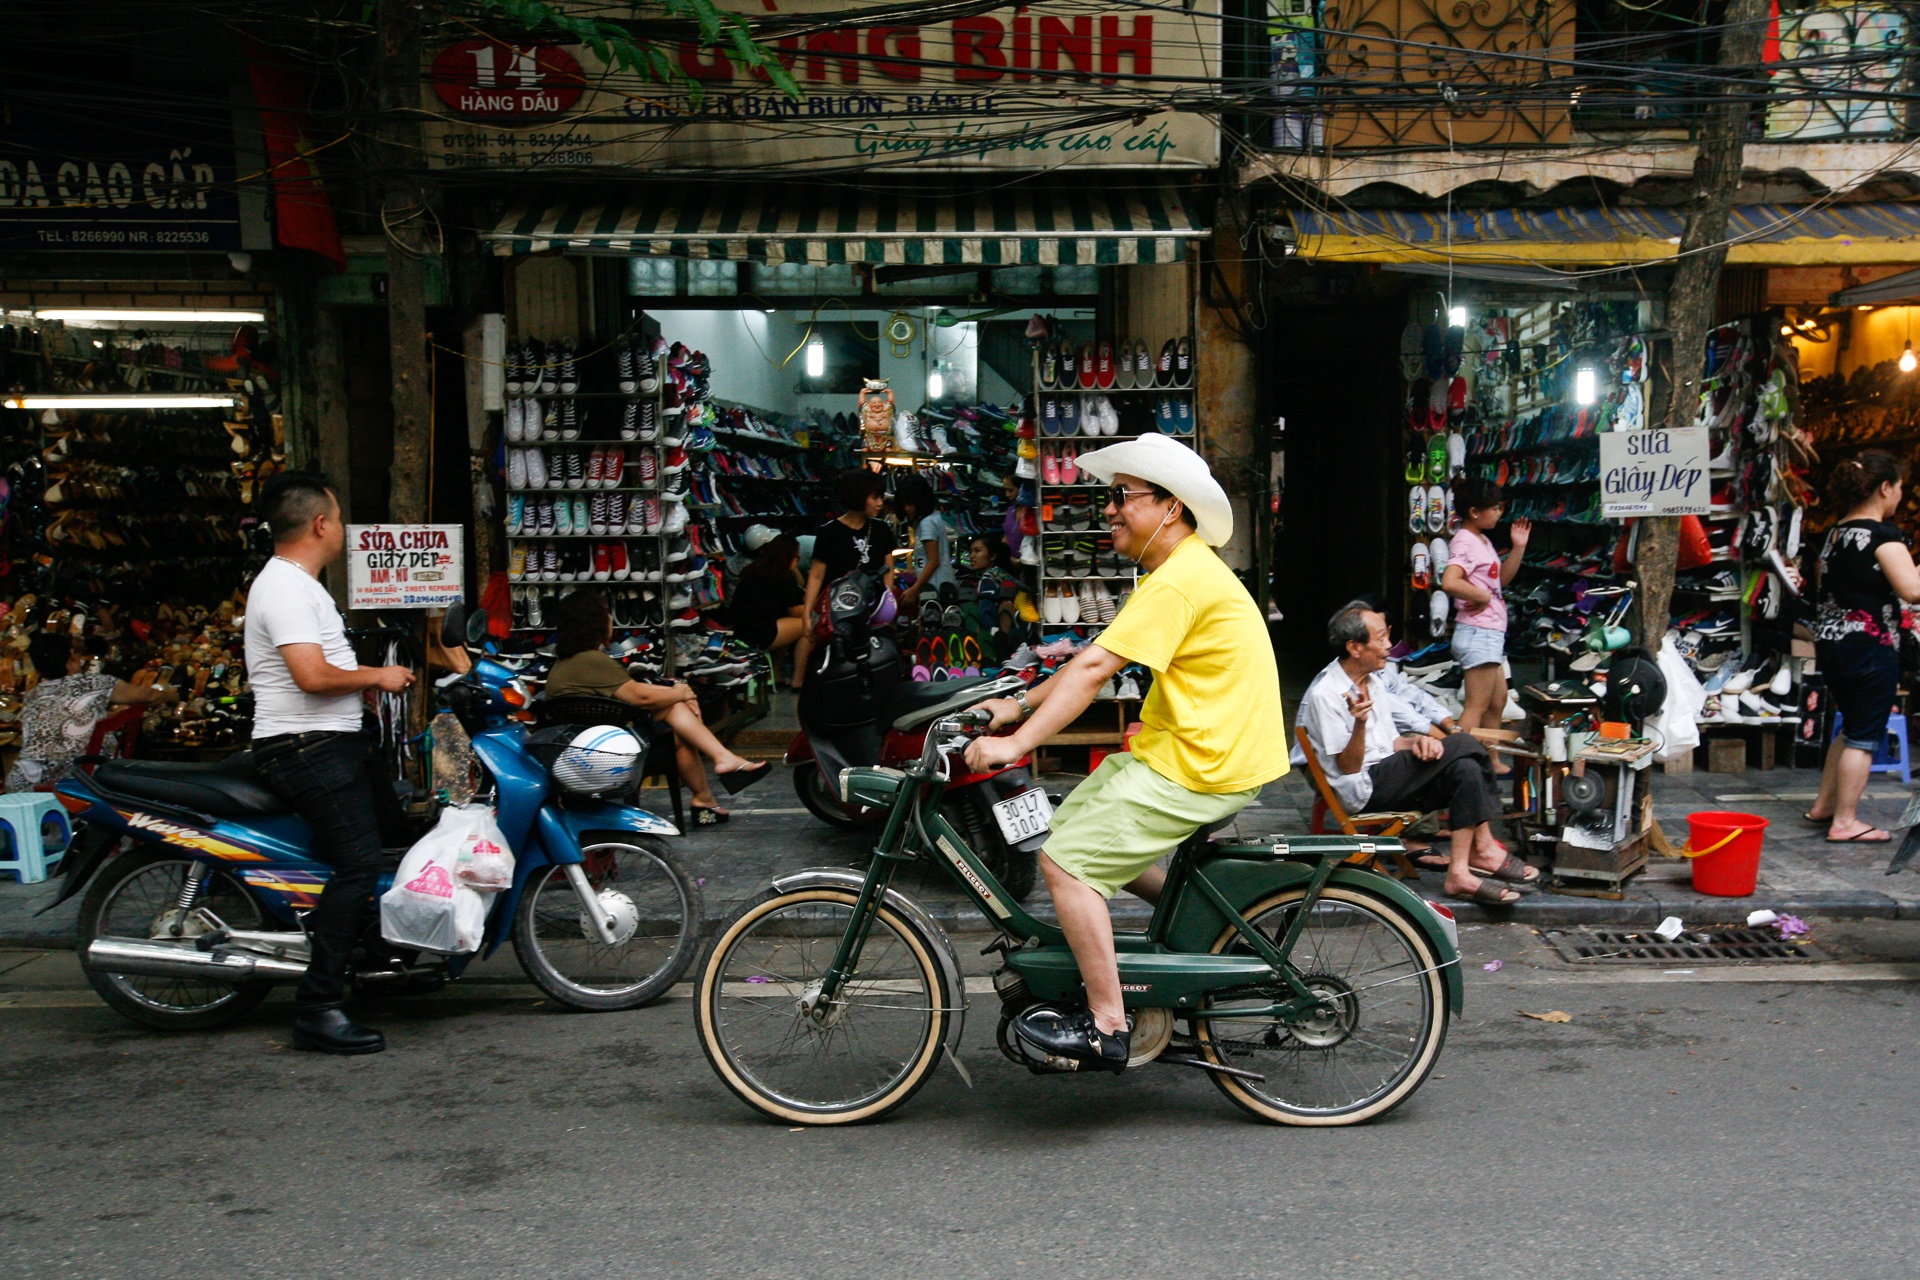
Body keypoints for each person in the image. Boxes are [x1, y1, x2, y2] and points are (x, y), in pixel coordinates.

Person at [962, 434, 1289, 1072]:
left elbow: (1091, 672)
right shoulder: (1178, 571)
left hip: (1204, 761)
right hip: (1186, 749)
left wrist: (1015, 743)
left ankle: (1107, 1024)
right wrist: (1019, 706)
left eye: (1122, 497)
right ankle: (1207, 925)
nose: (1109, 510)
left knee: (1064, 862)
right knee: (1069, 829)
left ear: (1170, 508)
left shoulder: (1181, 580)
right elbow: (1094, 659)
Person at [245, 471, 415, 1056]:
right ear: (320, 524)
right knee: (359, 863)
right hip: (306, 748)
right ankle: (318, 1007)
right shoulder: (286, 589)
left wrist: (360, 691)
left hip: (333, 742)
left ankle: (371, 953)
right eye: (338, 518)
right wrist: (379, 676)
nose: (341, 529)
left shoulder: (300, 584)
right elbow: (311, 677)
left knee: (398, 835)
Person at [1300, 602, 1538, 905]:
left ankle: (1460, 872)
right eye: (1380, 638)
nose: (1389, 645)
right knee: (1466, 744)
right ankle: (1484, 847)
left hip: (1387, 772)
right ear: (1355, 647)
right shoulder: (1326, 694)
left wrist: (1417, 744)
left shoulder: (1372, 681)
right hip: (1363, 789)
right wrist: (1359, 724)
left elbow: (1392, 743)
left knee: (1464, 769)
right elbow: (1348, 767)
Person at [544, 589, 770, 824]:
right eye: (607, 615)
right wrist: (682, 692)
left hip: (586, 750)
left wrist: (679, 692)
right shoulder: (591, 660)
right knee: (677, 726)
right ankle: (716, 773)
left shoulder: (569, 663)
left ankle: (710, 789)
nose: (611, 620)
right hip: (603, 755)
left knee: (675, 715)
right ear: (595, 622)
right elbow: (640, 697)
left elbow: (637, 692)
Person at [1807, 450, 1920, 843]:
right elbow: (1912, 590)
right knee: (1864, 735)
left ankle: (1824, 806)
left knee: (1850, 725)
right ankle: (1845, 821)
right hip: (1870, 646)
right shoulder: (1883, 535)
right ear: (1884, 488)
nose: (1901, 495)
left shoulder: (1834, 534)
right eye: (1899, 487)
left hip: (1834, 645)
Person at [4, 632, 179, 792]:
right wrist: (171, 695)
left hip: (28, 783)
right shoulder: (95, 683)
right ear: (72, 655)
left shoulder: (33, 695)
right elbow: (148, 696)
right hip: (83, 777)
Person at [1441, 478, 1530, 764]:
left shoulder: (1481, 539)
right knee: (1476, 707)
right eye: (1494, 508)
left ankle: (1490, 759)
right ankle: (1451, 764)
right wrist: (1482, 597)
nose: (1499, 513)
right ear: (1474, 511)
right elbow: (1450, 581)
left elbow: (1500, 582)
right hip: (1479, 632)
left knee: (1496, 702)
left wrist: (1518, 547)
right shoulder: (1465, 540)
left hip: (1489, 631)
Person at [793, 469, 896, 689]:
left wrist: (887, 602)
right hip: (838, 608)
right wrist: (808, 613)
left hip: (872, 605)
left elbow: (888, 568)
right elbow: (816, 575)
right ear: (859, 497)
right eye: (875, 497)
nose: (880, 503)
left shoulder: (881, 528)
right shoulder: (829, 532)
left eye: (881, 497)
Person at [728, 531, 807, 656]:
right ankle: (798, 674)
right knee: (809, 624)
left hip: (740, 629)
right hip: (760, 634)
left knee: (789, 626)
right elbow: (796, 612)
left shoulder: (755, 568)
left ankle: (777, 671)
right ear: (790, 557)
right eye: (797, 558)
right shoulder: (783, 576)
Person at [893, 474, 956, 613]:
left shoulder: (927, 523)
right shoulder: (934, 518)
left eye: (909, 504)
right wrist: (915, 572)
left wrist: (914, 590)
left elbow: (934, 561)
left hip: (935, 589)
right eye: (904, 504)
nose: (906, 509)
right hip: (942, 586)